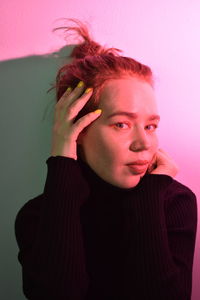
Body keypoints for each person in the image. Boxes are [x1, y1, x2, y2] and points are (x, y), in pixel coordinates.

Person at [15, 18, 197, 300]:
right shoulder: (38, 216)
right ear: (79, 131)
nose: (144, 144)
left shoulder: (173, 202)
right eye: (122, 124)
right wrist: (62, 158)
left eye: (150, 126)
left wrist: (148, 198)